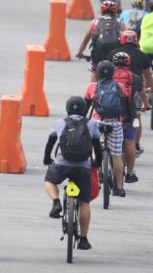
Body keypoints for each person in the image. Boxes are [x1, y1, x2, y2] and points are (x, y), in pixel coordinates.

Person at [44, 96, 104, 251]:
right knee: (84, 202)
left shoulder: (60, 123)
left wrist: (46, 159)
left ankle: (56, 202)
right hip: (83, 167)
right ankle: (83, 239)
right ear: (85, 110)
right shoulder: (91, 124)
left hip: (62, 165)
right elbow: (97, 147)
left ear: (67, 109)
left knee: (50, 181)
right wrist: (96, 163)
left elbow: (50, 143)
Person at [84, 61, 130, 197]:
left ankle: (95, 173)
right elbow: (126, 107)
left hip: (97, 123)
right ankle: (118, 187)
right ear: (113, 73)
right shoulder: (120, 87)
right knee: (116, 155)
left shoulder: (92, 87)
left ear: (97, 73)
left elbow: (85, 109)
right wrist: (126, 121)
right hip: (115, 123)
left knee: (92, 149)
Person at [108, 30, 153, 157]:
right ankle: (136, 145)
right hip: (134, 90)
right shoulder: (141, 55)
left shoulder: (113, 53)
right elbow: (148, 76)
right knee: (137, 118)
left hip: (113, 92)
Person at [110, 52, 146, 183]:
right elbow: (142, 94)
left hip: (109, 116)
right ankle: (130, 173)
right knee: (130, 142)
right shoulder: (134, 77)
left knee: (104, 139)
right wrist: (146, 105)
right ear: (128, 63)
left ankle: (100, 169)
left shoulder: (107, 75)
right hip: (127, 116)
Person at [76, 1, 125, 82]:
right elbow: (126, 38)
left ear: (101, 11)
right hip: (114, 54)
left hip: (98, 54)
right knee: (116, 71)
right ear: (115, 11)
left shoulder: (94, 22)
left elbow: (85, 41)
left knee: (95, 70)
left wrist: (80, 53)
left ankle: (92, 92)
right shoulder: (120, 23)